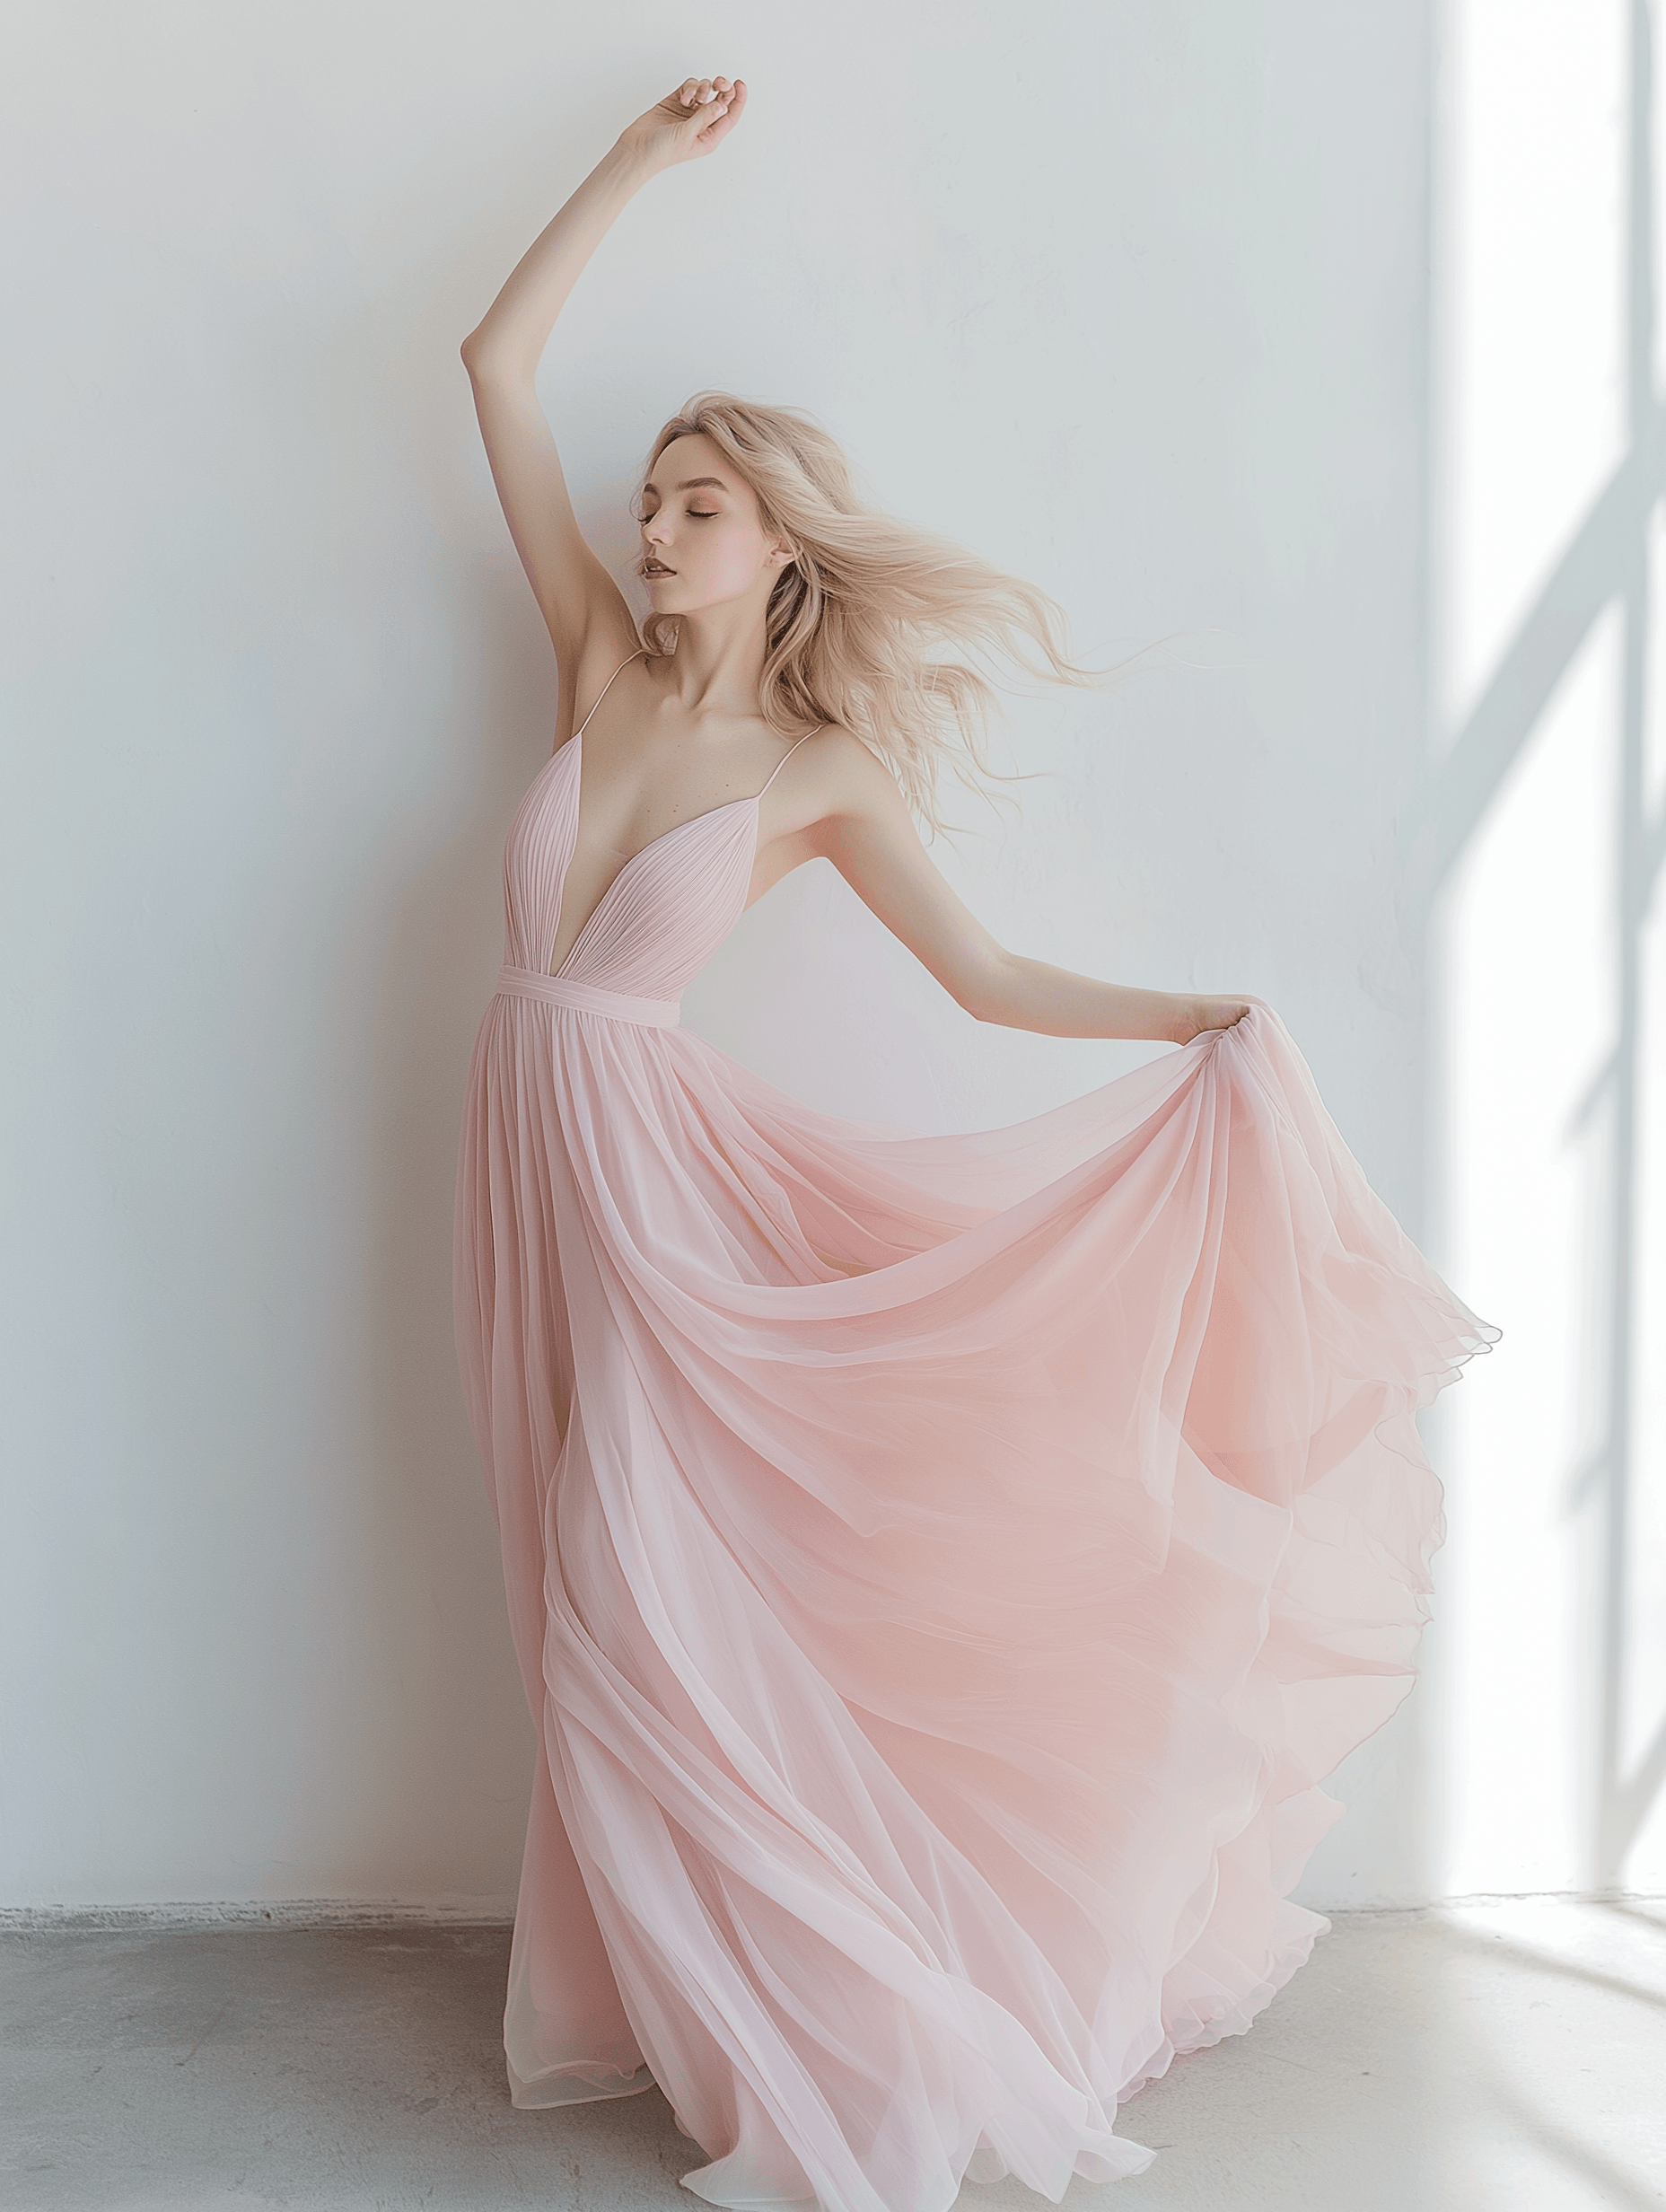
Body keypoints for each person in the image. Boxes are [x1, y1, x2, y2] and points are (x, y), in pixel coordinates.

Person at [452, 75, 1495, 2212]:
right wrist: (635, 166)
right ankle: (726, 1996)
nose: (655, 532)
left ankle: (839, 2021)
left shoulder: (815, 765)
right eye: (650, 497)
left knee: (638, 1592)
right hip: (529, 1160)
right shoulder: (590, 667)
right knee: (585, 1585)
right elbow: (490, 360)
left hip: (663, 1198)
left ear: (782, 547)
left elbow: (988, 976)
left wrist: (1189, 1014)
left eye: (700, 507)